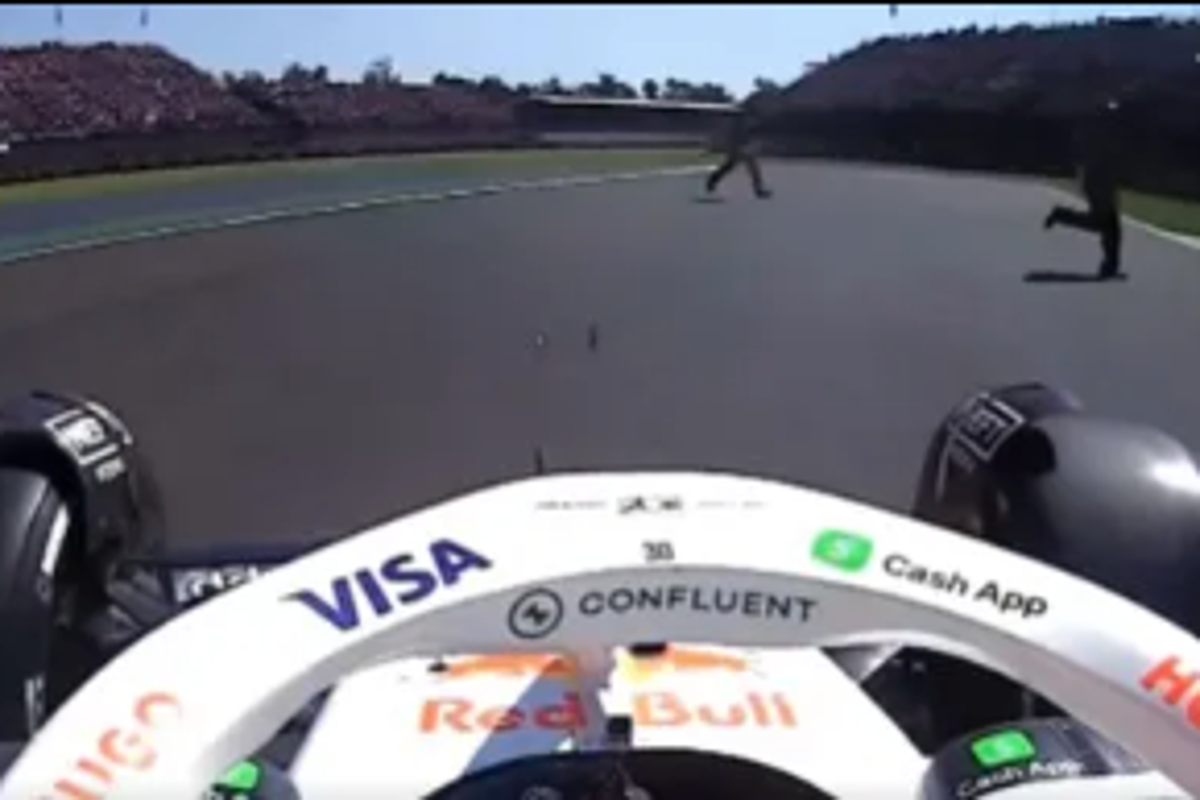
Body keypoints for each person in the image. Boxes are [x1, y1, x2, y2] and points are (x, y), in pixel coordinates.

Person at [1043, 122, 1123, 279]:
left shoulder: (1103, 134)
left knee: (1106, 224)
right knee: (1105, 223)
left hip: (1099, 179)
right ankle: (1110, 265)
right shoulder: (1102, 134)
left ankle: (1110, 264)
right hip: (1099, 180)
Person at [704, 108, 772, 199]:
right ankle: (713, 180)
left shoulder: (748, 120)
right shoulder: (741, 120)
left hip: (743, 145)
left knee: (749, 166)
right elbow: (736, 133)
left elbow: (750, 133)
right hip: (738, 144)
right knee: (733, 165)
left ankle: (759, 189)